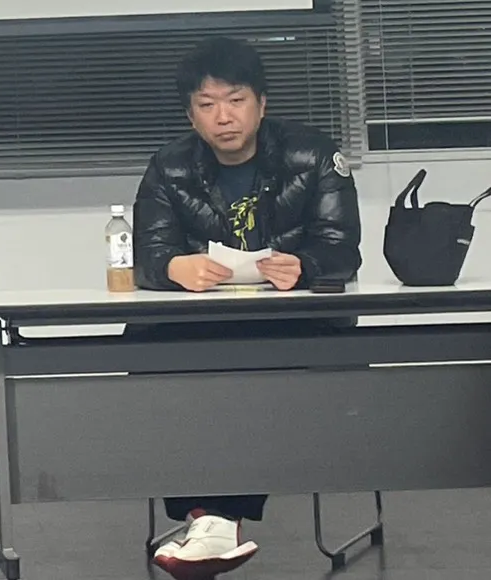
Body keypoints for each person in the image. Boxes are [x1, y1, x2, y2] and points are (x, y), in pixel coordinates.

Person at [132, 37, 361, 580]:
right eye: (207, 105)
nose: (223, 117)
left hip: (295, 322)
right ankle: (209, 519)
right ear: (190, 115)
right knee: (147, 349)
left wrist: (304, 265)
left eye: (235, 100)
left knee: (245, 370)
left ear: (261, 104)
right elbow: (146, 254)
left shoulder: (313, 155)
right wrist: (173, 268)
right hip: (204, 323)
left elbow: (343, 249)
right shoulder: (168, 166)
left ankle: (210, 520)